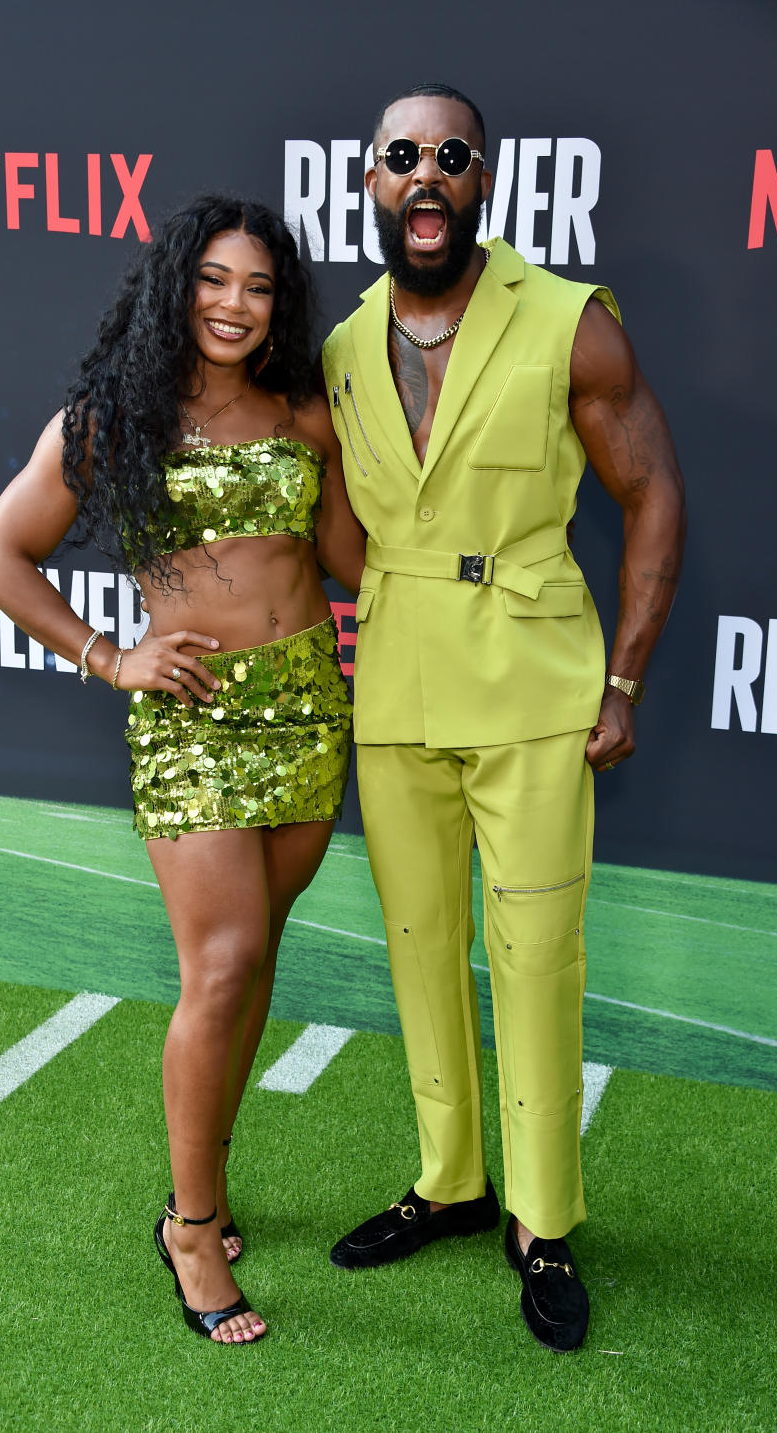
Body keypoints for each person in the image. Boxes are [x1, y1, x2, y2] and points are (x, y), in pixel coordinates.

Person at [321, 84, 686, 1352]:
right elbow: (337, 528)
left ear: (487, 180)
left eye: (452, 158)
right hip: (397, 682)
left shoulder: (572, 322)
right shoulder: (343, 342)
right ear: (369, 181)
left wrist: (625, 677)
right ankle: (450, 1181)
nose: (427, 177)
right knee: (419, 947)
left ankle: (542, 1218)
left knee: (534, 962)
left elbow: (652, 492)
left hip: (537, 682)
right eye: (401, 157)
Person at [0, 195, 366, 1346]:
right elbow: (1, 555)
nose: (236, 305)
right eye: (214, 280)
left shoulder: (302, 409)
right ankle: (190, 1227)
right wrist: (111, 656)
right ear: (175, 286)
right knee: (227, 960)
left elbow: (344, 558)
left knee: (252, 965)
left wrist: (384, 452)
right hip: (190, 719)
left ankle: (215, 1186)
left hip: (305, 712)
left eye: (259, 286)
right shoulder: (113, 416)